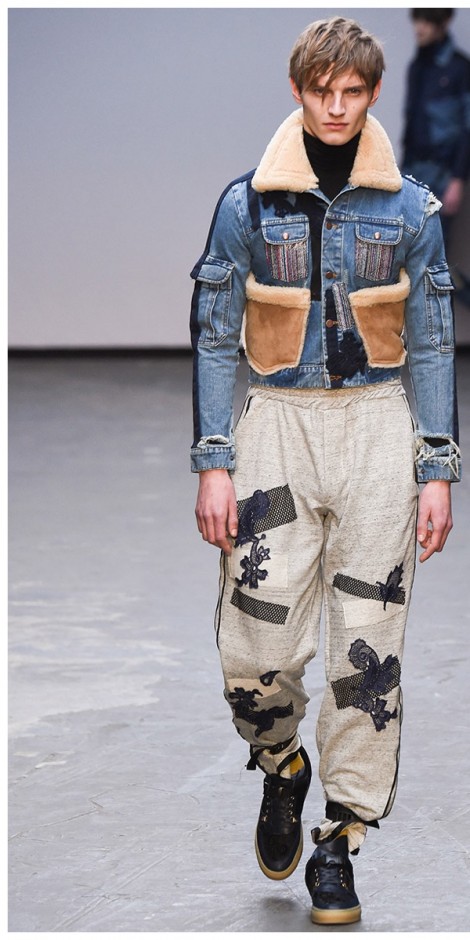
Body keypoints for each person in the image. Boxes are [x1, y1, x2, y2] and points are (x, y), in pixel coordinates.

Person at [190, 16, 460, 926]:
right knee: (253, 652)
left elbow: (432, 340)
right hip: (277, 429)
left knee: (368, 653)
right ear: (298, 90)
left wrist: (436, 466)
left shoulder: (412, 211)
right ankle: (282, 763)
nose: (337, 108)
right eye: (321, 91)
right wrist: (214, 461)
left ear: (373, 93)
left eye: (352, 93)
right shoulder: (246, 206)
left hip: (379, 429)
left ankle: (340, 839)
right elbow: (214, 335)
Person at [401, 9, 470, 252]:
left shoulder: (460, 68)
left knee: (434, 248)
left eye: (428, 21)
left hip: (443, 173)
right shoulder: (417, 66)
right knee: (404, 245)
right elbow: (412, 123)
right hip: (412, 169)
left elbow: (467, 129)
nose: (419, 27)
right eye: (417, 20)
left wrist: (458, 179)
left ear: (444, 22)